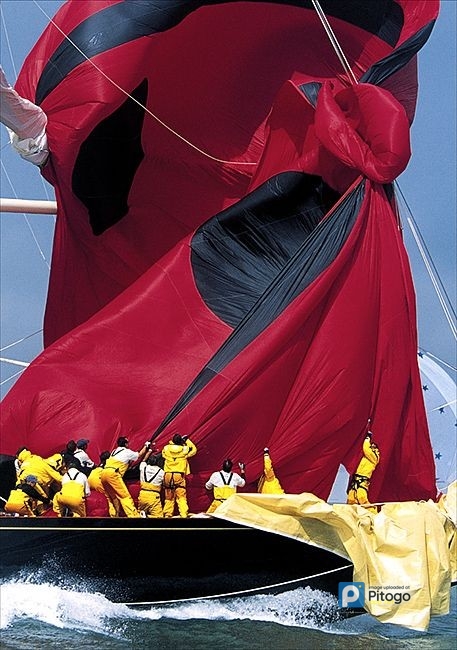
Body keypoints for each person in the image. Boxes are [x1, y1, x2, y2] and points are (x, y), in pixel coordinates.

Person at [100, 437, 149, 517]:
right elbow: (139, 455)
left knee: (112, 497)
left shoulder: (114, 451)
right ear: (126, 444)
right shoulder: (127, 452)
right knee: (125, 496)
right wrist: (146, 446)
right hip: (113, 474)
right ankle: (134, 516)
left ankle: (114, 515)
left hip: (103, 474)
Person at [162, 434, 197, 518]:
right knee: (181, 496)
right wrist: (187, 440)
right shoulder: (184, 450)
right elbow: (194, 450)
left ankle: (167, 514)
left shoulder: (166, 448)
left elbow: (163, 455)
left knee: (169, 497)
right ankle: (183, 514)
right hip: (179, 475)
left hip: (168, 475)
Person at [347, 429, 380, 513]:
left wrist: (367, 438)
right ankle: (352, 514)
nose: (371, 447)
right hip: (356, 480)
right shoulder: (364, 458)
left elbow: (366, 449)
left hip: (362, 480)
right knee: (351, 499)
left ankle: (373, 513)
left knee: (362, 498)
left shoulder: (374, 457)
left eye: (373, 447)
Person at [138, 451, 165, 518]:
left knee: (139, 515)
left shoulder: (143, 467)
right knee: (159, 517)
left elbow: (143, 460)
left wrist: (149, 452)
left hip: (142, 494)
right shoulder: (161, 472)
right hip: (153, 496)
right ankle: (147, 516)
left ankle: (142, 516)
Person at [88, 451, 115, 516]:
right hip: (97, 481)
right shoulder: (107, 465)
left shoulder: (99, 465)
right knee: (108, 498)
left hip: (90, 479)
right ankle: (113, 515)